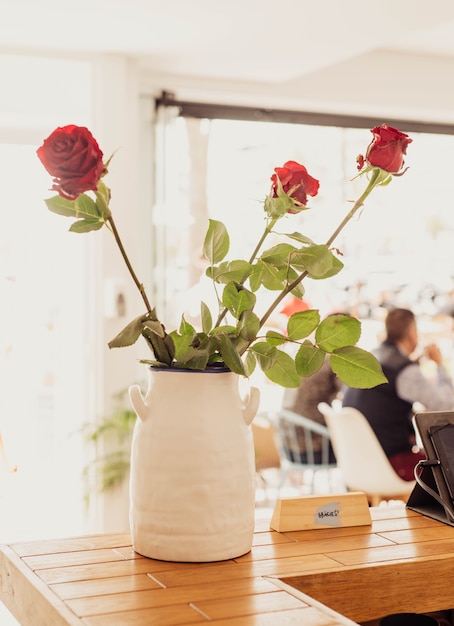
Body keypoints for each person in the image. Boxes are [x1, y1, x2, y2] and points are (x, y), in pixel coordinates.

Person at [342, 307, 454, 481]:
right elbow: (446, 406)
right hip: (392, 464)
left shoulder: (372, 357)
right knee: (449, 463)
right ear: (411, 333)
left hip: (358, 463)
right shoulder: (403, 370)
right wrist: (439, 365)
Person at [281, 355, 342, 464]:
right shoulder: (335, 360)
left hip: (287, 448)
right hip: (313, 451)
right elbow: (349, 393)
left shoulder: (305, 354)